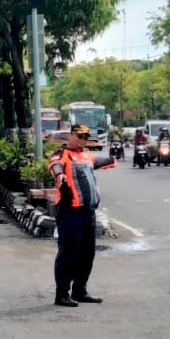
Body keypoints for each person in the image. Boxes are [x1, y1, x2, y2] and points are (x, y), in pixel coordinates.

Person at [50, 124, 110, 306]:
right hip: (70, 212)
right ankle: (62, 294)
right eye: (79, 136)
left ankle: (80, 290)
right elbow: (55, 165)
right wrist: (59, 175)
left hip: (88, 212)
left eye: (86, 137)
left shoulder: (86, 156)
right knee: (68, 253)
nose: (83, 140)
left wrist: (113, 158)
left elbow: (101, 161)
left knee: (87, 253)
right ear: (70, 135)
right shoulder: (61, 154)